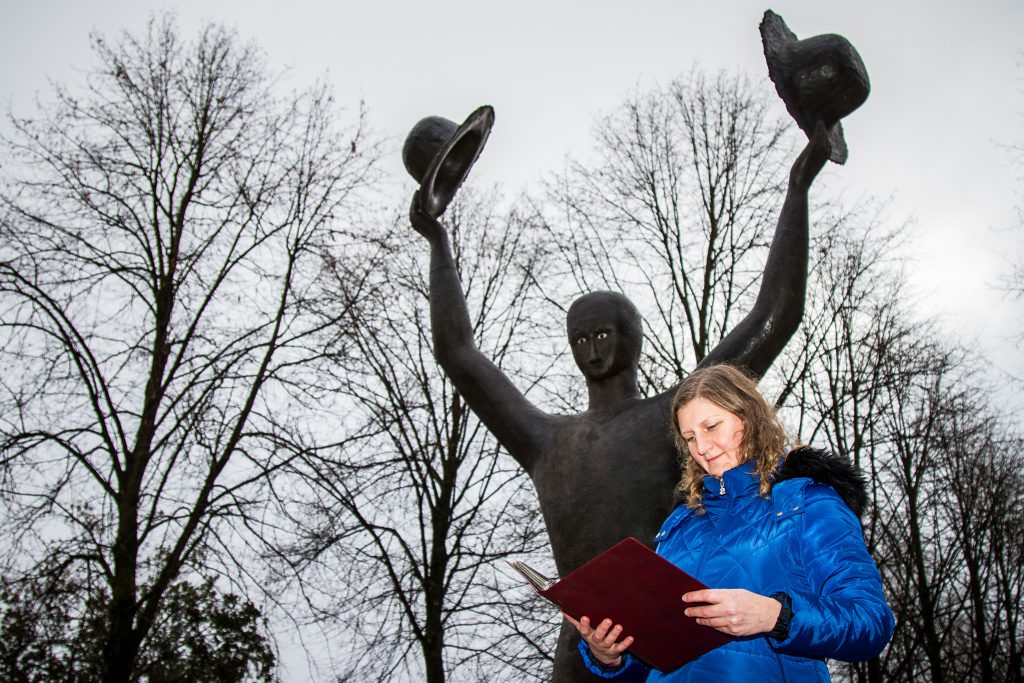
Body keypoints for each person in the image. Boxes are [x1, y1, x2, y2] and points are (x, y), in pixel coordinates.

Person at [409, 123, 832, 681]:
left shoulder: (673, 415)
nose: (592, 347)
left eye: (603, 333)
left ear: (632, 339)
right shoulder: (547, 440)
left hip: (676, 647)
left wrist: (798, 183)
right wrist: (437, 239)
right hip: (585, 652)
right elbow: (458, 353)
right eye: (580, 338)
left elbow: (776, 313)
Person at [567, 363, 895, 681]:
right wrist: (612, 654)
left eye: (712, 427)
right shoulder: (680, 527)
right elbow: (658, 654)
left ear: (748, 417)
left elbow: (870, 622)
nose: (703, 448)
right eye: (690, 438)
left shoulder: (807, 502)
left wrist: (774, 617)